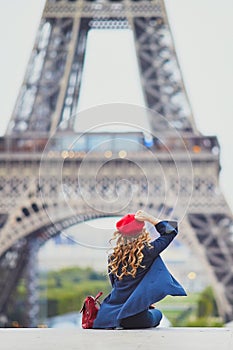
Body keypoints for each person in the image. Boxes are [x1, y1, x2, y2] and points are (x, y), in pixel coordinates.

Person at [93, 210, 187, 329]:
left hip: (108, 316)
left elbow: (115, 285)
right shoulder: (148, 252)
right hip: (136, 318)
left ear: (120, 235)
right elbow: (171, 231)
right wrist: (150, 218)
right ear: (142, 232)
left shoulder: (113, 258)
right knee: (158, 314)